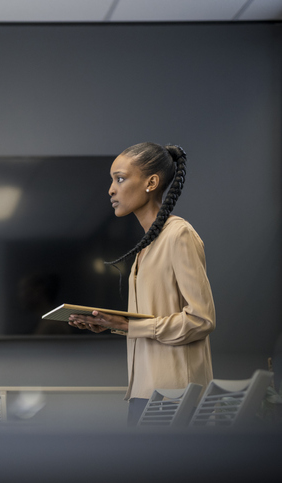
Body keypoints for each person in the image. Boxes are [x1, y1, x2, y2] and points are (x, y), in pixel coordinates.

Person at [67, 142, 215, 426]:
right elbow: (152, 323)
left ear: (151, 183)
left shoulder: (179, 235)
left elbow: (201, 320)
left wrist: (127, 324)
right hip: (144, 392)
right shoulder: (146, 248)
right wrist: (110, 323)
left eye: (120, 179)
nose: (111, 189)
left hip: (174, 396)